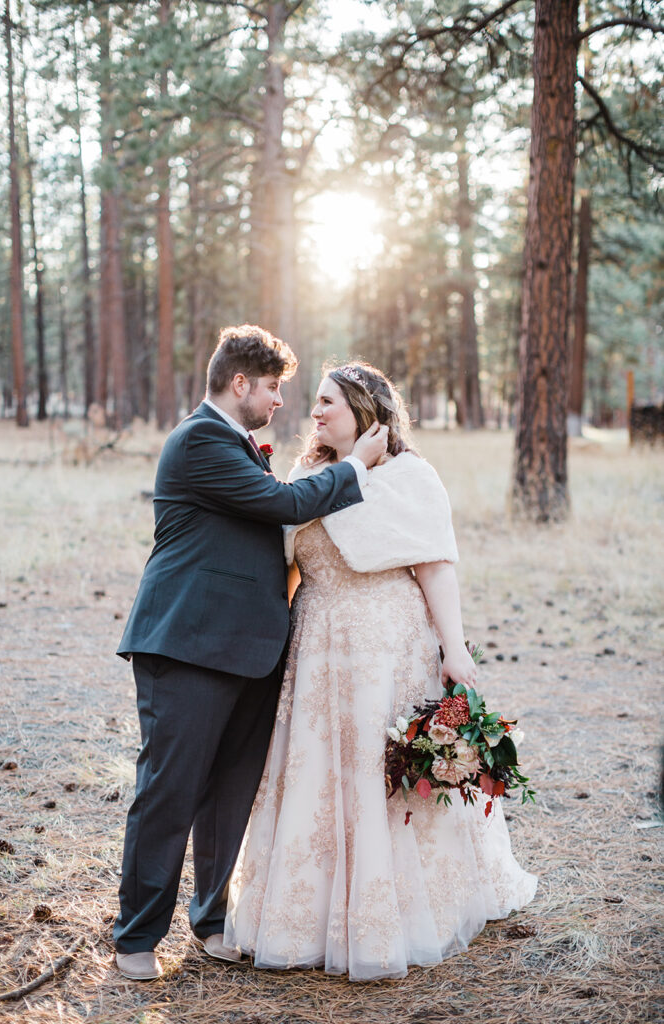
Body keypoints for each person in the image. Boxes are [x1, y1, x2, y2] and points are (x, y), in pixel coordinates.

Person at [225, 361, 537, 981]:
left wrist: (455, 650)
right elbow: (288, 566)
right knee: (317, 774)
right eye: (313, 402)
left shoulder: (410, 477)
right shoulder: (308, 476)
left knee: (382, 774)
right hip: (317, 648)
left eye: (327, 402)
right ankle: (305, 914)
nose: (314, 412)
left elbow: (435, 566)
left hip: (388, 646)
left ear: (366, 410)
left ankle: (398, 909)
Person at [113, 327, 388, 981]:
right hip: (188, 646)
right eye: (271, 388)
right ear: (240, 383)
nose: (278, 403)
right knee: (169, 792)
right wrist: (354, 467)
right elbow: (280, 503)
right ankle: (135, 938)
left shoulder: (239, 445)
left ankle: (210, 921)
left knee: (229, 793)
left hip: (250, 652)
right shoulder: (199, 440)